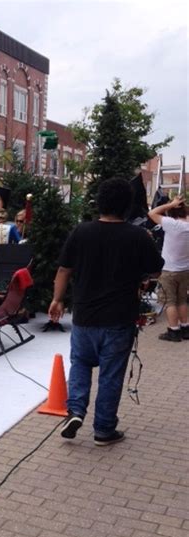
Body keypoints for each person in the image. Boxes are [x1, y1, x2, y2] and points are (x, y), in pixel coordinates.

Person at [48, 178, 164, 446]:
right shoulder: (137, 236)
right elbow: (156, 269)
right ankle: (103, 430)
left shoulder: (81, 232)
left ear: (99, 202)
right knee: (111, 375)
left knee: (80, 365)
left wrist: (57, 299)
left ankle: (75, 411)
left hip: (84, 317)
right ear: (127, 206)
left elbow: (64, 270)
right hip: (119, 319)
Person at [148, 194, 189, 341]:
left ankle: (174, 330)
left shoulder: (172, 224)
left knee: (170, 301)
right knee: (182, 300)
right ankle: (185, 327)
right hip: (185, 270)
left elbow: (152, 213)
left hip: (169, 270)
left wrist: (171, 204)